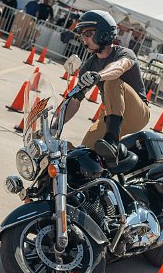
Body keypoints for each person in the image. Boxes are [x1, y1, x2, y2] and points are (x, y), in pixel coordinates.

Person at [63, 10, 151, 166]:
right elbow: (75, 101)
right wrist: (55, 125)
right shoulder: (88, 66)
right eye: (82, 34)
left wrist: (99, 76)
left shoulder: (125, 53)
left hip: (137, 113)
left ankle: (111, 141)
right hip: (111, 116)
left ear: (103, 32)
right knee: (81, 156)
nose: (84, 38)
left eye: (88, 33)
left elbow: (119, 67)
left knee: (112, 81)